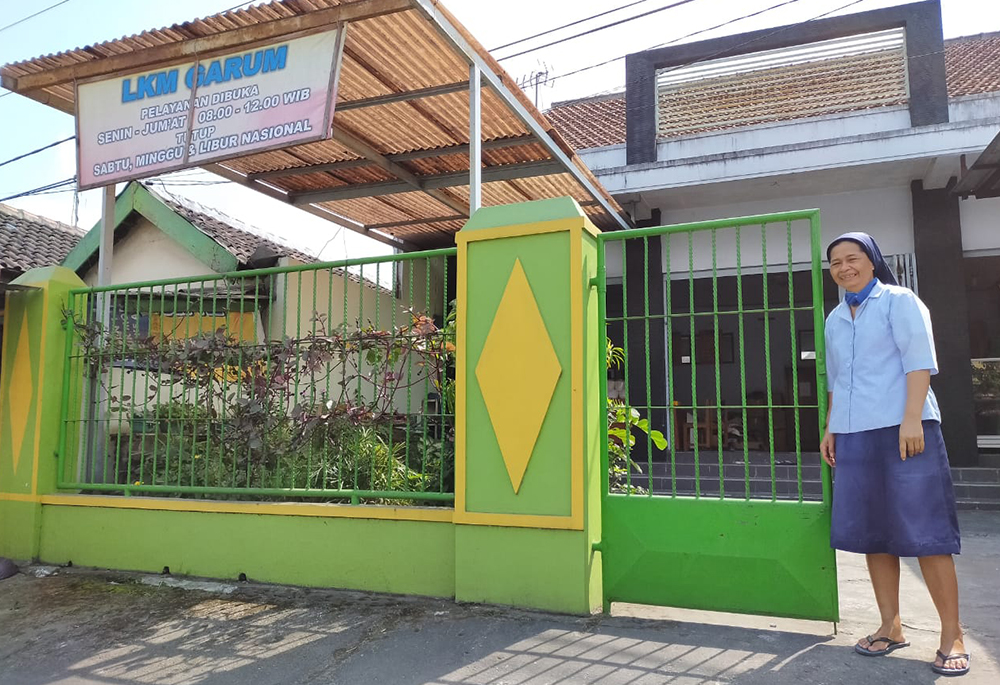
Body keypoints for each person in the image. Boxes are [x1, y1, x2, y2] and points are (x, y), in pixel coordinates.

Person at [819, 232, 968, 677]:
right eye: (836, 263)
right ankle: (891, 626)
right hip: (854, 433)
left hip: (905, 429)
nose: (845, 268)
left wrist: (911, 419)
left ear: (872, 261)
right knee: (872, 533)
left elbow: (918, 362)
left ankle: (952, 634)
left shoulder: (900, 301)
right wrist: (831, 428)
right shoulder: (834, 318)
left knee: (926, 533)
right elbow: (835, 381)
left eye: (853, 259)